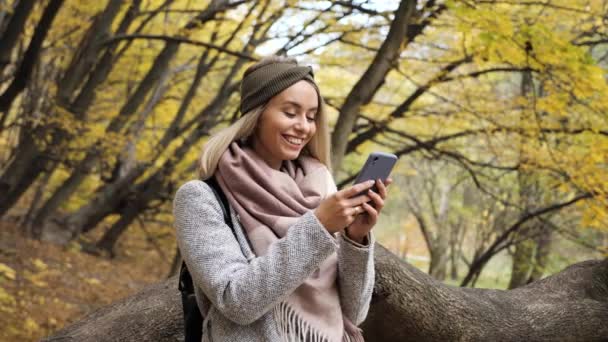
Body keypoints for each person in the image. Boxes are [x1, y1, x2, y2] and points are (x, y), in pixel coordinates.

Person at [173, 55, 391, 342]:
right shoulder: (200, 198)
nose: (304, 126)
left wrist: (355, 239)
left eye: (311, 117)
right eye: (290, 113)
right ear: (257, 114)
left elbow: (355, 311)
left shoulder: (319, 186)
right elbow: (237, 300)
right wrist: (318, 227)